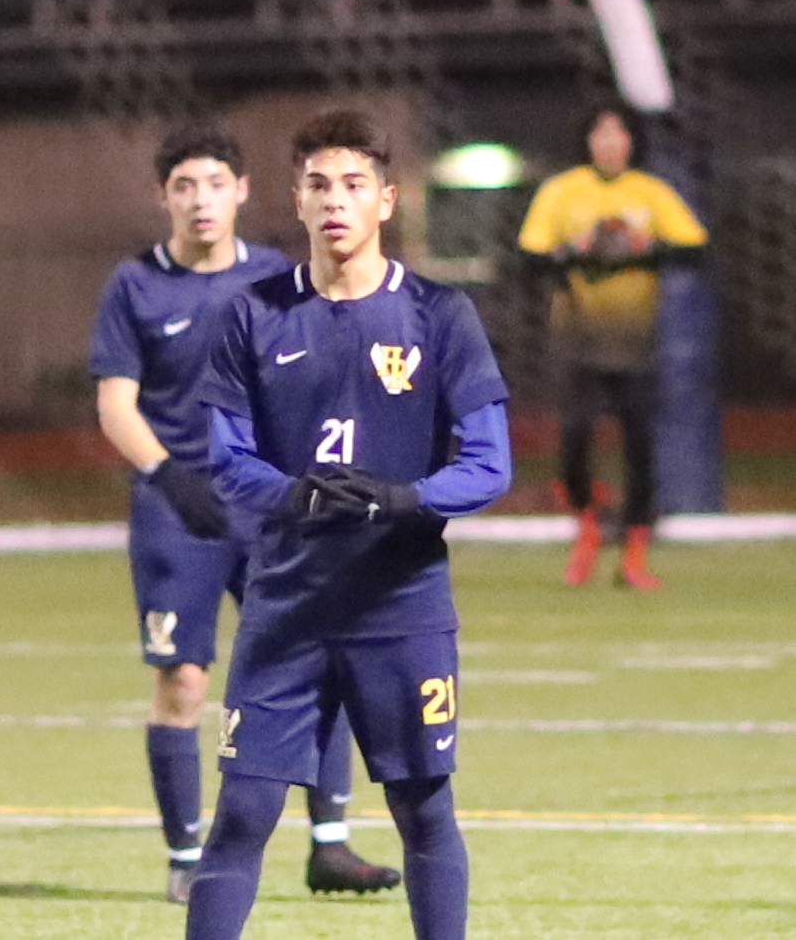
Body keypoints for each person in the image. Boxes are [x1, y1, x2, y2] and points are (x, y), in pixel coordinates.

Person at [187, 109, 511, 940]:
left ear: (386, 201)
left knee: (424, 810)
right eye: (319, 185)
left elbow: (490, 464)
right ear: (296, 201)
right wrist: (294, 496)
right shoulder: (253, 315)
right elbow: (226, 457)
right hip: (286, 608)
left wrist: (405, 499)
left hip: (401, 609)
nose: (336, 200)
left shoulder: (439, 315)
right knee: (242, 814)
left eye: (354, 185)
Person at [88, 123, 401, 904]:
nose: (201, 200)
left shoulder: (275, 279)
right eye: (184, 186)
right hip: (178, 513)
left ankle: (330, 845)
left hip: (270, 506)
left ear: (243, 192)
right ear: (163, 196)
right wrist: (169, 477)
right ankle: (185, 858)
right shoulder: (135, 285)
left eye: (216, 184)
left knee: (319, 662)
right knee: (183, 682)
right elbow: (116, 404)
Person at [518, 101, 708, 589]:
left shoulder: (650, 193)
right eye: (600, 133)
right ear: (587, 141)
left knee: (640, 445)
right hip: (578, 339)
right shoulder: (562, 192)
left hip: (636, 343)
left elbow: (693, 248)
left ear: (631, 141)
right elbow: (532, 256)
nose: (609, 142)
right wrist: (578, 255)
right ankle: (588, 527)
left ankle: (635, 557)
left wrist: (644, 251)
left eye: (618, 133)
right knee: (575, 439)